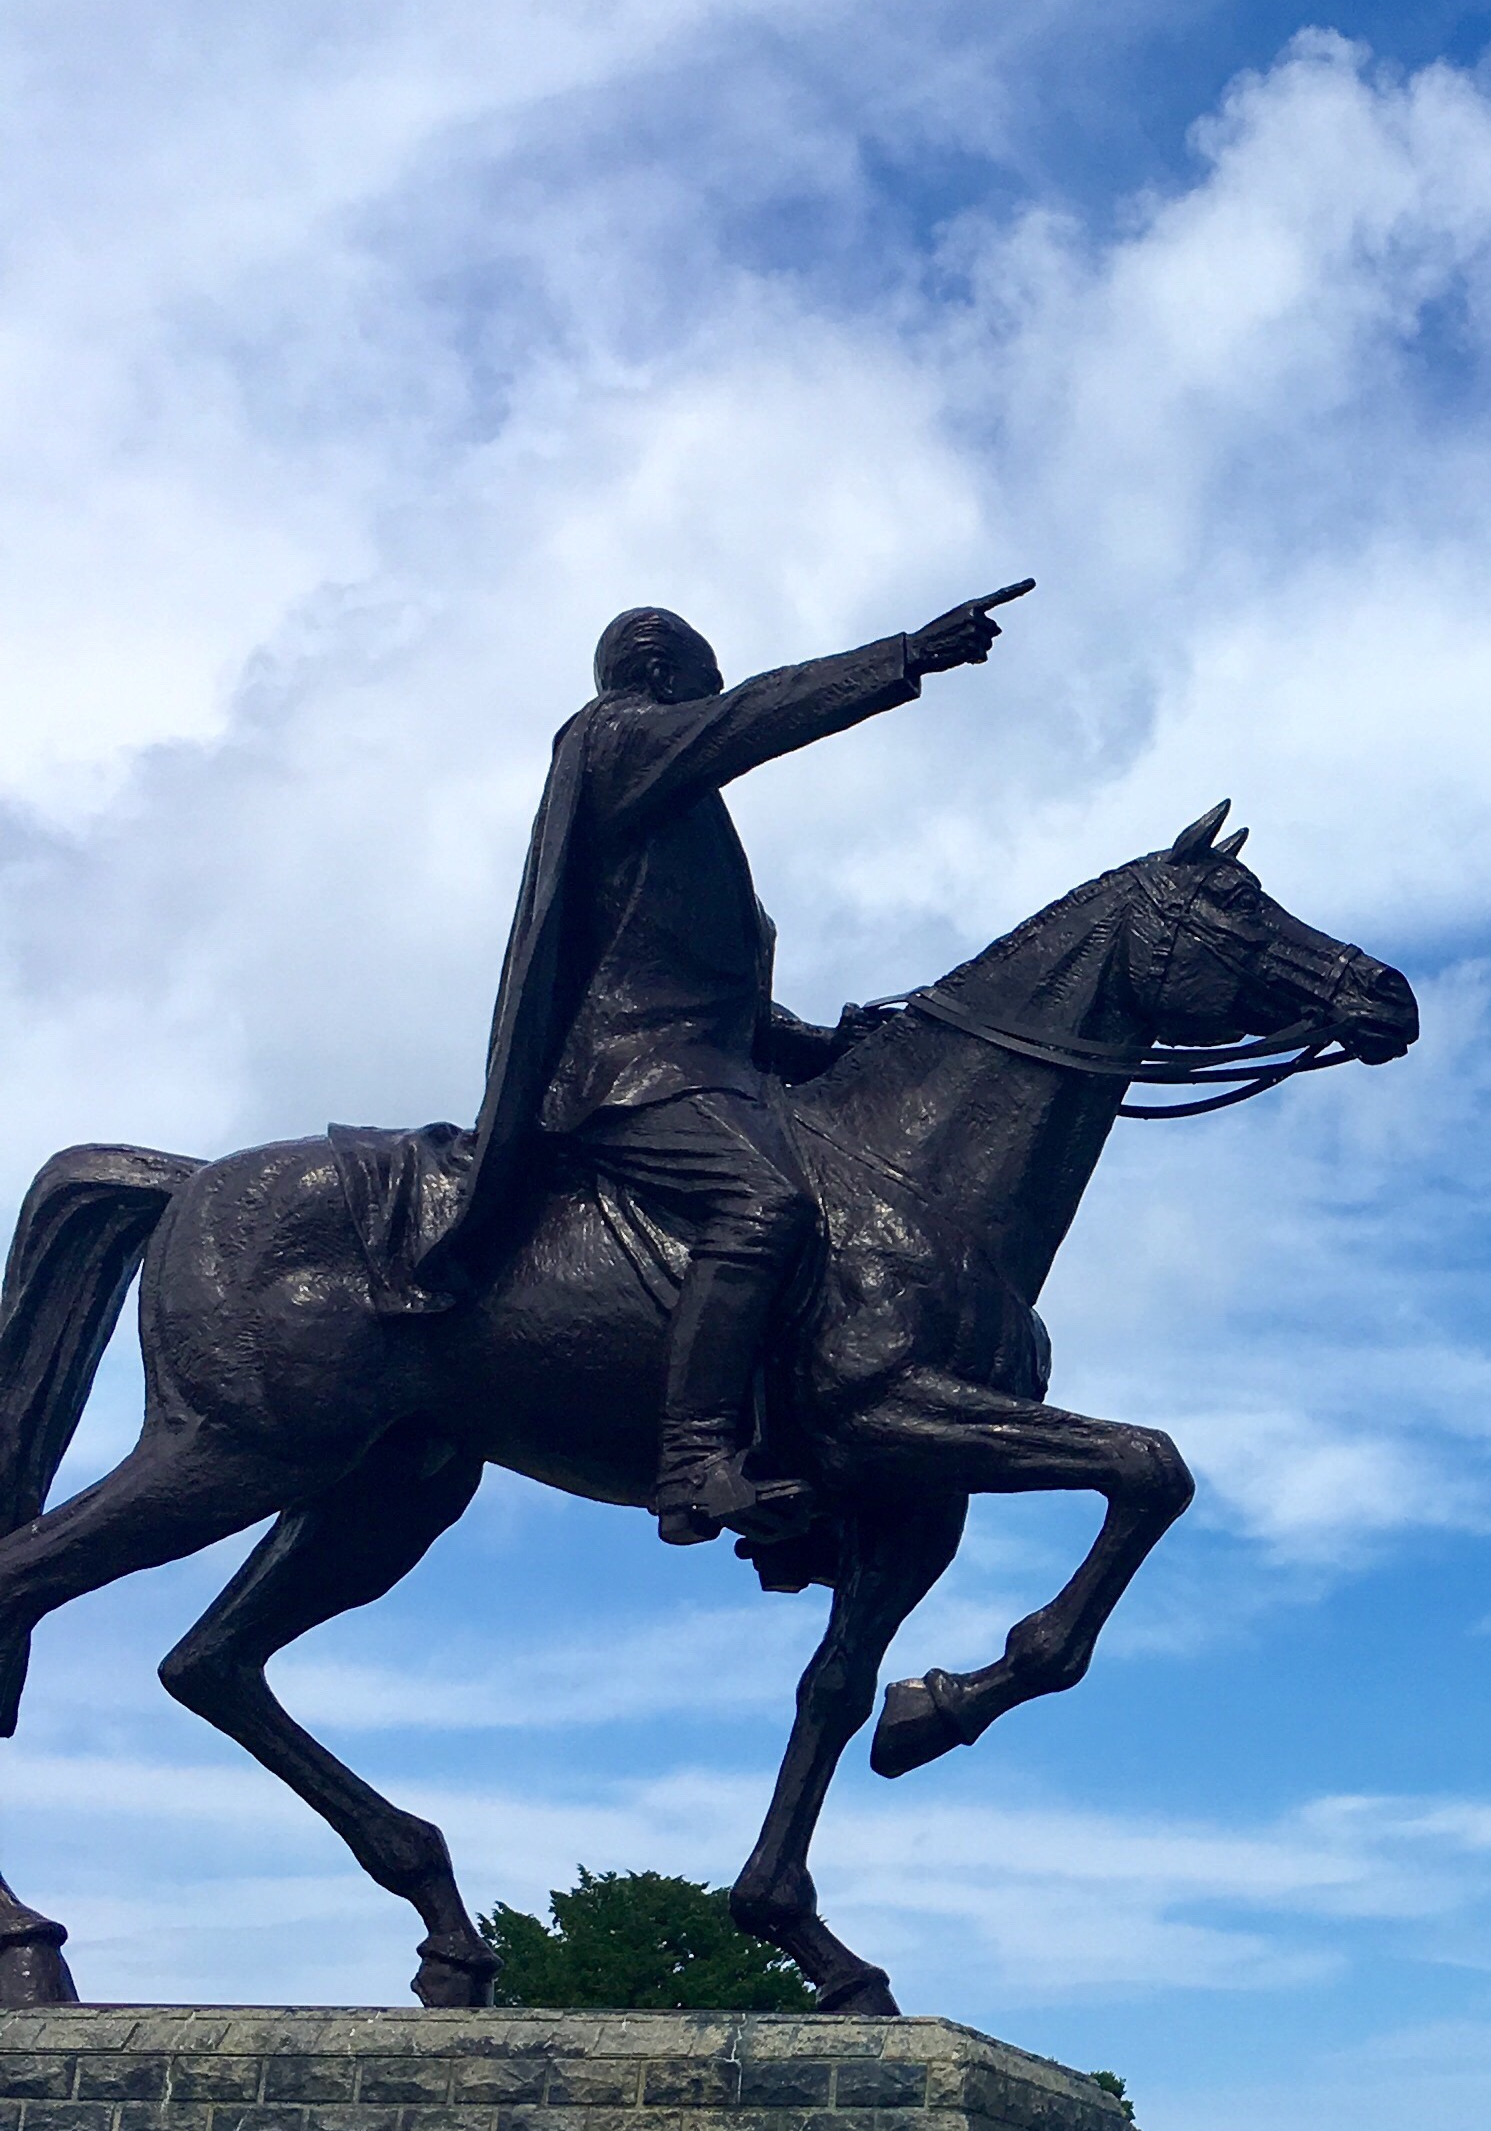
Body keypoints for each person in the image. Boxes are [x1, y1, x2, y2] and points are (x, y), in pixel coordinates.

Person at [368, 583, 1018, 1544]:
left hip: (697, 1070)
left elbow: (721, 1011)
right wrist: (904, 656)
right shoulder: (615, 739)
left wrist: (834, 1045)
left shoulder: (675, 821)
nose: (711, 712)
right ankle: (693, 1462)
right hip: (629, 1077)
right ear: (661, 675)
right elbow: (756, 716)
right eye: (705, 690)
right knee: (765, 1206)